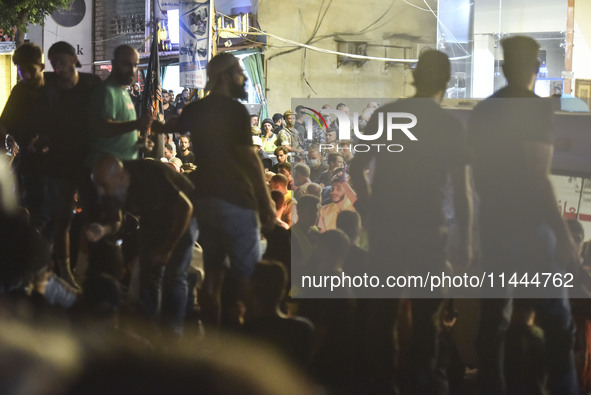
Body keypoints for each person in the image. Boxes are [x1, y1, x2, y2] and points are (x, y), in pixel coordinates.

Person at [350, 49, 472, 393]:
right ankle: (423, 385)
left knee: (383, 314)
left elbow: (356, 168)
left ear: (415, 77)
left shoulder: (388, 116)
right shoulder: (449, 127)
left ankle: (382, 384)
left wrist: (370, 210)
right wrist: (465, 242)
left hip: (387, 230)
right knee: (426, 321)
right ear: (447, 82)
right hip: (428, 233)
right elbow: (462, 193)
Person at [469, 36, 578, 395]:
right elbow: (537, 177)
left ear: (502, 68)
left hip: (493, 226)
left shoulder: (483, 111)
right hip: (530, 228)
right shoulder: (536, 109)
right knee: (558, 320)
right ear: (536, 68)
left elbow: (477, 178)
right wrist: (561, 234)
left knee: (493, 323)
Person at [155, 52, 275, 327]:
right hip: (235, 200)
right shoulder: (235, 111)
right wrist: (266, 202)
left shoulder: (197, 109)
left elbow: (173, 124)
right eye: (238, 72)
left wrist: (158, 125)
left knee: (213, 276)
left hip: (205, 201)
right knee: (248, 277)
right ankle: (258, 336)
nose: (243, 78)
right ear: (224, 77)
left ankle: (212, 336)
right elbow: (249, 159)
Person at [87, 155, 197, 337]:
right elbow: (116, 220)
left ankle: (173, 335)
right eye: (96, 185)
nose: (100, 192)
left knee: (174, 275)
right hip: (152, 218)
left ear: (120, 177)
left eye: (103, 186)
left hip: (183, 216)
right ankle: (149, 330)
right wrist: (103, 229)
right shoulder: (110, 186)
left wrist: (167, 249)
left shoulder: (149, 176)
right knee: (148, 272)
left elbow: (185, 208)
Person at [43, 41, 102, 286]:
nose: (58, 66)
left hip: (88, 158)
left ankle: (88, 267)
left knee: (93, 214)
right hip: (59, 159)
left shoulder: (91, 84)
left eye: (62, 60)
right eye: (53, 61)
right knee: (61, 217)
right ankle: (65, 271)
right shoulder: (47, 87)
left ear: (74, 59)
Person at [86, 45, 153, 166]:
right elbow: (103, 128)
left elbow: (121, 131)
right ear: (114, 63)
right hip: (108, 169)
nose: (132, 70)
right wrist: (137, 123)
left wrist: (138, 142)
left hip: (124, 167)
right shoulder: (106, 91)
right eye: (126, 64)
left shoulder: (123, 92)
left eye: (135, 65)